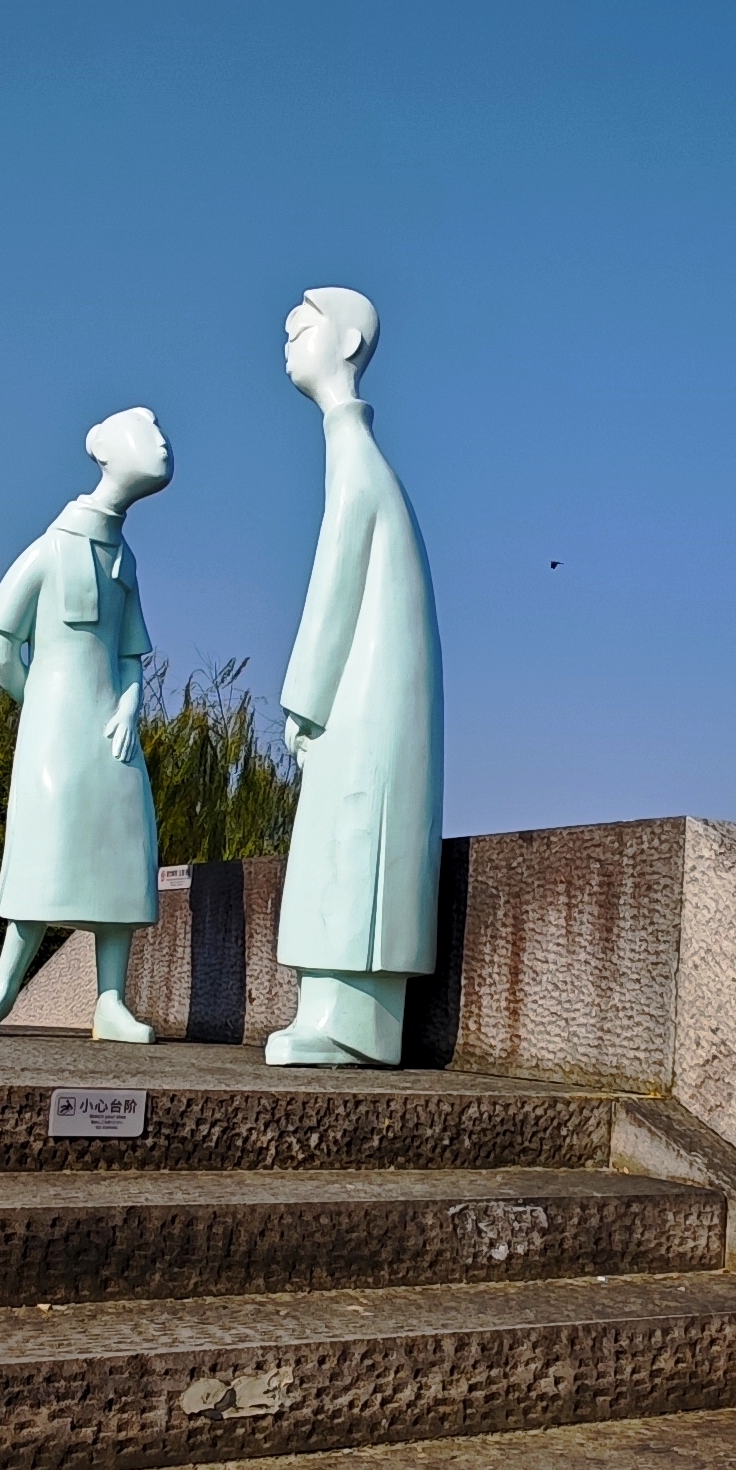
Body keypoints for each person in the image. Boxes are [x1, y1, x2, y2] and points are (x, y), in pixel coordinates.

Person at [262, 287, 443, 1067]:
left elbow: (335, 580)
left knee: (358, 831)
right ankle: (328, 1009)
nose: (287, 342)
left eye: (300, 329)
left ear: (345, 344)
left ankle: (355, 1024)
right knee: (341, 834)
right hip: (363, 684)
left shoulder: (357, 459)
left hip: (364, 689)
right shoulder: (356, 454)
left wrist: (302, 695)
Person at [0, 407, 169, 1042]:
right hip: (56, 733)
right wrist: (41, 705)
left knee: (122, 851)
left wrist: (128, 706)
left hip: (112, 733)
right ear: (106, 453)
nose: (161, 444)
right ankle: (0, 994)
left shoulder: (123, 559)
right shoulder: (52, 547)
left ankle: (111, 1001)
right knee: (45, 852)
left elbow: (130, 655)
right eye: (147, 434)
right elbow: (3, 643)